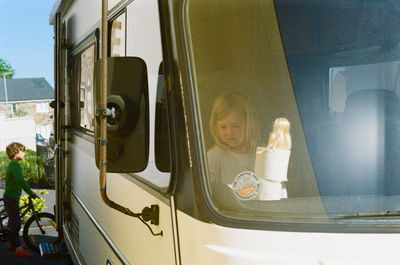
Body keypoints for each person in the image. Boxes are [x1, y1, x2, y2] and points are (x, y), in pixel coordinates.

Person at [207, 92, 259, 185]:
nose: (229, 133)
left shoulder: (261, 155)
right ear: (215, 126)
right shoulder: (214, 157)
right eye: (223, 127)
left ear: (249, 124)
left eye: (236, 126)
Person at [4, 142, 38, 258]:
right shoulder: (14, 165)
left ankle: (13, 244)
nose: (24, 153)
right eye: (22, 151)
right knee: (16, 222)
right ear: (16, 152)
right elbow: (20, 181)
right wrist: (31, 193)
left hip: (11, 197)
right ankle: (18, 249)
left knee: (13, 221)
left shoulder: (13, 164)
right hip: (11, 198)